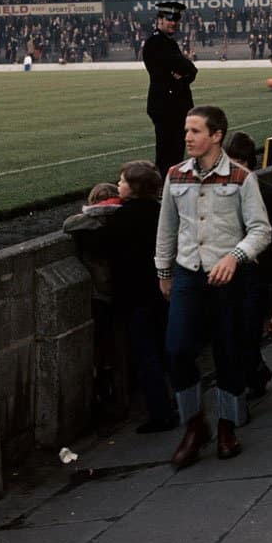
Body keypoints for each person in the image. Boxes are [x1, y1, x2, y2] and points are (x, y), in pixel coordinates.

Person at [155, 106, 271, 469]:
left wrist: (234, 257)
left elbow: (261, 230)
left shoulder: (240, 178)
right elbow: (167, 228)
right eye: (186, 130)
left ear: (217, 134)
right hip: (189, 272)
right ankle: (194, 425)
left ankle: (226, 426)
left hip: (229, 276)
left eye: (195, 131)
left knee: (229, 352)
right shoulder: (175, 176)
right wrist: (164, 271)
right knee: (176, 349)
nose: (187, 137)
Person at [103, 161, 177, 434]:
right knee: (168, 351)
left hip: (136, 296)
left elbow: (103, 246)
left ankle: (161, 413)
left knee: (147, 357)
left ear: (133, 188)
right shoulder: (160, 212)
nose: (118, 184)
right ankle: (182, 402)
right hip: (161, 290)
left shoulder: (121, 218)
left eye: (122, 181)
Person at [223, 130, 272, 400]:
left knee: (248, 328)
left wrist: (259, 253)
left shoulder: (267, 193)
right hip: (229, 273)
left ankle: (253, 373)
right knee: (234, 329)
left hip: (255, 272)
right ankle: (254, 371)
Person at [63, 182, 125, 423]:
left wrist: (94, 212)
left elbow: (69, 223)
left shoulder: (91, 224)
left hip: (102, 293)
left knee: (104, 347)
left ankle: (108, 397)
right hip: (124, 289)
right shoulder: (123, 218)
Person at [143, 1, 198, 178]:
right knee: (168, 154)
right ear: (159, 20)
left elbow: (191, 70)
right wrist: (182, 75)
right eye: (169, 19)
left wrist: (182, 74)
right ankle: (166, 191)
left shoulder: (167, 43)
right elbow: (167, 75)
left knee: (175, 152)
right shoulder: (156, 42)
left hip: (174, 105)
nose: (173, 23)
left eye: (176, 20)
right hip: (166, 106)